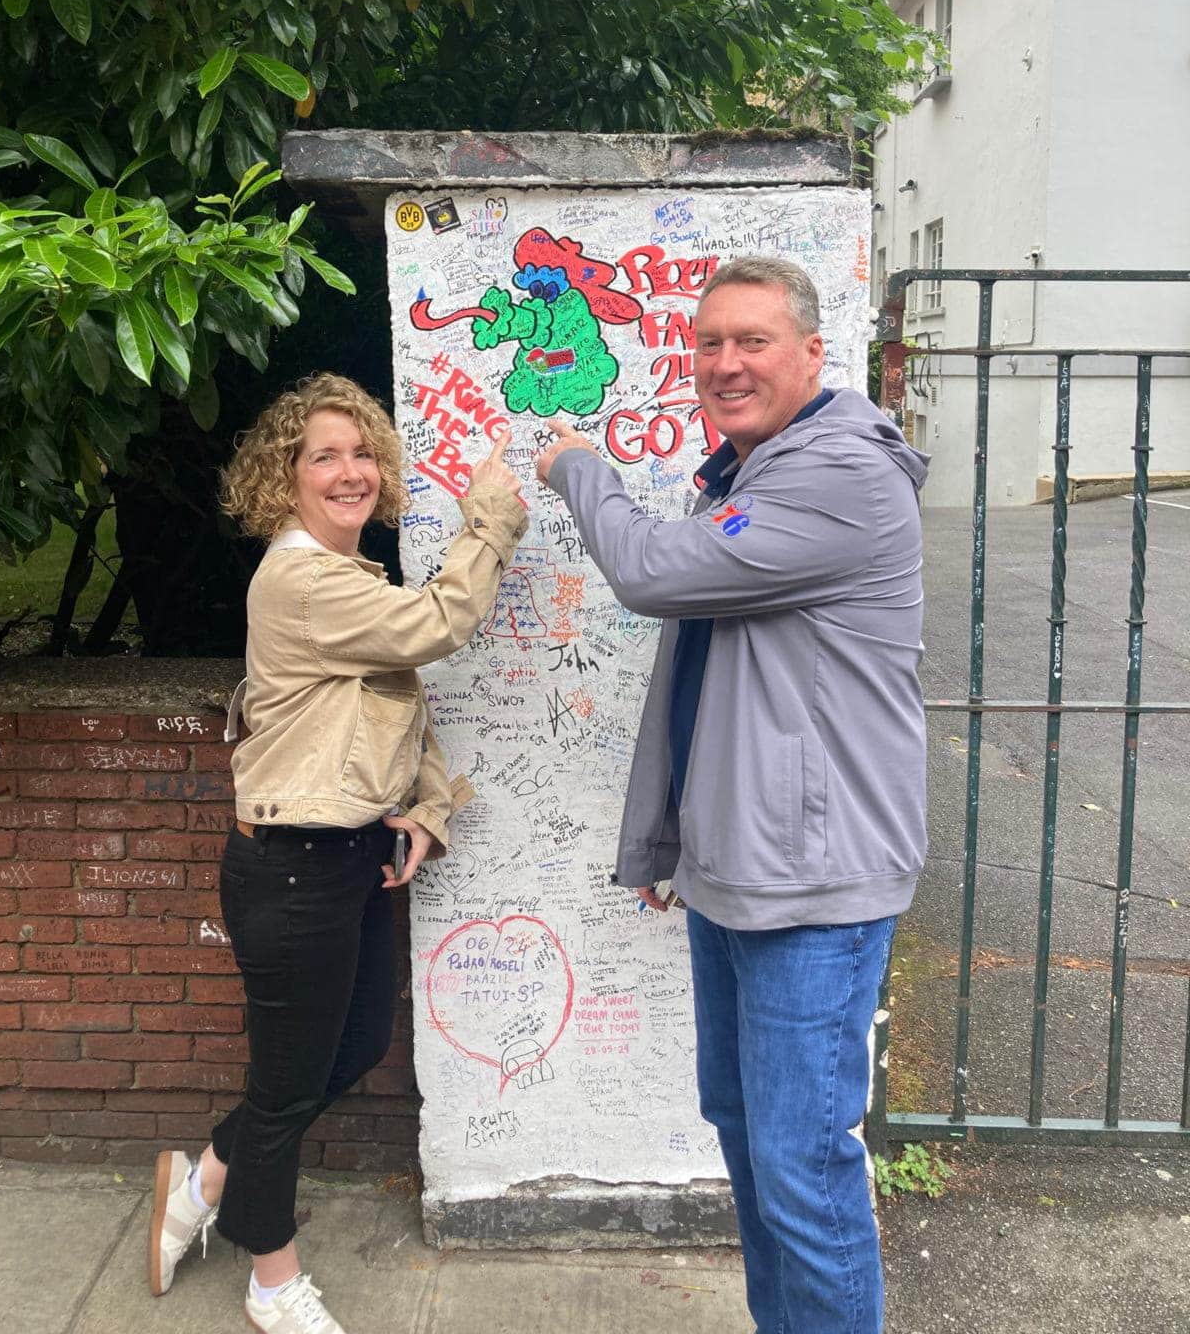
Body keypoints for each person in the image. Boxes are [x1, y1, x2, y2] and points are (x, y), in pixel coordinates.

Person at [536, 257, 928, 1334]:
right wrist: (678, 842)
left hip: (815, 886)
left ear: (814, 354)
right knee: (749, 1135)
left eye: (753, 340)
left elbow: (654, 574)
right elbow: (712, 681)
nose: (725, 363)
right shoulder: (752, 472)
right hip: (746, 870)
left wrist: (580, 468)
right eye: (709, 343)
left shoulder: (837, 474)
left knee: (801, 1169)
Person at [148, 373, 526, 1334]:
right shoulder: (302, 580)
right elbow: (436, 627)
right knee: (283, 1092)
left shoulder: (348, 575)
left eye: (362, 453)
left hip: (346, 857)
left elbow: (397, 699)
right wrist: (489, 520)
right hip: (290, 868)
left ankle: (202, 1180)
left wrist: (426, 806)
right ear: (285, 479)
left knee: (353, 1048)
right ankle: (271, 1282)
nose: (350, 471)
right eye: (324, 456)